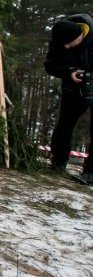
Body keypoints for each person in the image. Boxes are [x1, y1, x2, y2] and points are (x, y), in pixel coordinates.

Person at [45, 14, 93, 184]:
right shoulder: (59, 39)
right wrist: (69, 72)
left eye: (69, 43)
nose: (65, 47)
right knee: (64, 123)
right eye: (63, 44)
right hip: (72, 89)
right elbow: (50, 65)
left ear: (80, 35)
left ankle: (90, 172)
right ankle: (58, 162)